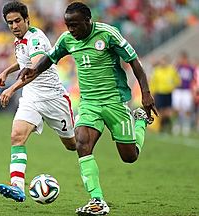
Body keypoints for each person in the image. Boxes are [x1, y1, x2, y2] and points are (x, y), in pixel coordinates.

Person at [19, 2, 158, 215]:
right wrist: (34, 70)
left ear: (87, 21)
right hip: (89, 104)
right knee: (82, 144)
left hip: (115, 102)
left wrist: (146, 94)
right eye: (67, 25)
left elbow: (134, 62)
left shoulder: (108, 34)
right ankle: (97, 200)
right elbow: (51, 58)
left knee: (129, 157)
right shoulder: (67, 40)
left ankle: (139, 120)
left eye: (75, 25)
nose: (71, 30)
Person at [0, 1, 76, 203]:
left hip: (53, 99)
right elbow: (23, 61)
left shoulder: (36, 38)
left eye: (17, 21)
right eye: (10, 23)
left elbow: (34, 69)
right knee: (17, 136)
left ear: (27, 20)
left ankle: (90, 122)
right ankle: (17, 187)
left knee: (74, 145)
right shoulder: (19, 40)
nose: (14, 26)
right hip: (31, 97)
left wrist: (12, 88)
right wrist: (7, 71)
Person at [150, 55, 180, 133]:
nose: (162, 63)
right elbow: (153, 82)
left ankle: (168, 125)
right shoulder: (156, 70)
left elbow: (177, 80)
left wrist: (173, 86)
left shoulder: (171, 70)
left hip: (168, 92)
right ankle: (164, 125)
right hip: (159, 93)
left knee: (168, 111)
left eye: (164, 61)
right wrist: (152, 92)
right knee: (161, 111)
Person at [172, 51, 195, 136]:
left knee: (187, 109)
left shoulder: (191, 68)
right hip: (178, 90)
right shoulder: (177, 67)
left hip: (186, 90)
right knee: (176, 109)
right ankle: (176, 125)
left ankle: (186, 126)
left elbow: (193, 80)